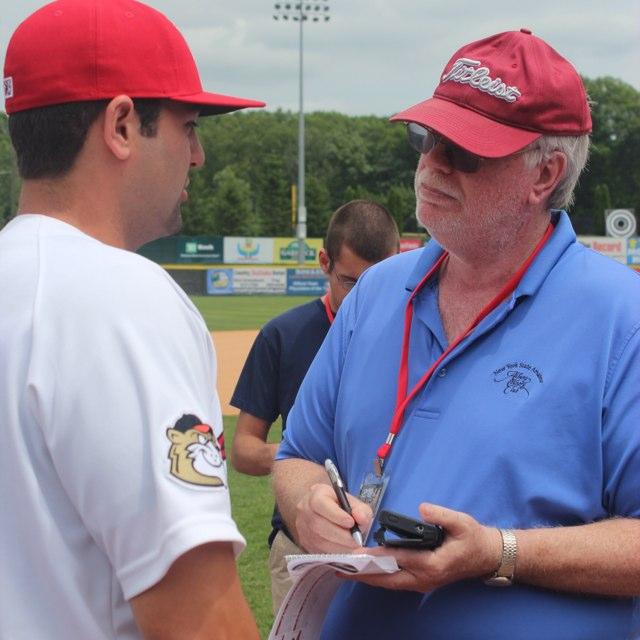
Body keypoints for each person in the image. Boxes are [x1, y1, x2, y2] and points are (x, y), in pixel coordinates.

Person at [273, 29, 640, 639]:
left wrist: (500, 552)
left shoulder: (622, 316)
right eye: (428, 137)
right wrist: (311, 508)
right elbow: (298, 458)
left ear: (544, 173)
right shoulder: (376, 291)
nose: (432, 164)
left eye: (466, 150)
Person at [0, 1, 265, 638]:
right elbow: (200, 622)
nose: (197, 156)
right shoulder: (121, 297)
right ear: (122, 124)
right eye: (189, 126)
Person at [230, 199, 400, 612]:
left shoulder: (412, 334)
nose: (366, 297)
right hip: (301, 544)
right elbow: (244, 450)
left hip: (387, 548)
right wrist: (303, 460)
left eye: (380, 280)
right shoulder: (283, 335)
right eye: (350, 281)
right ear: (325, 262)